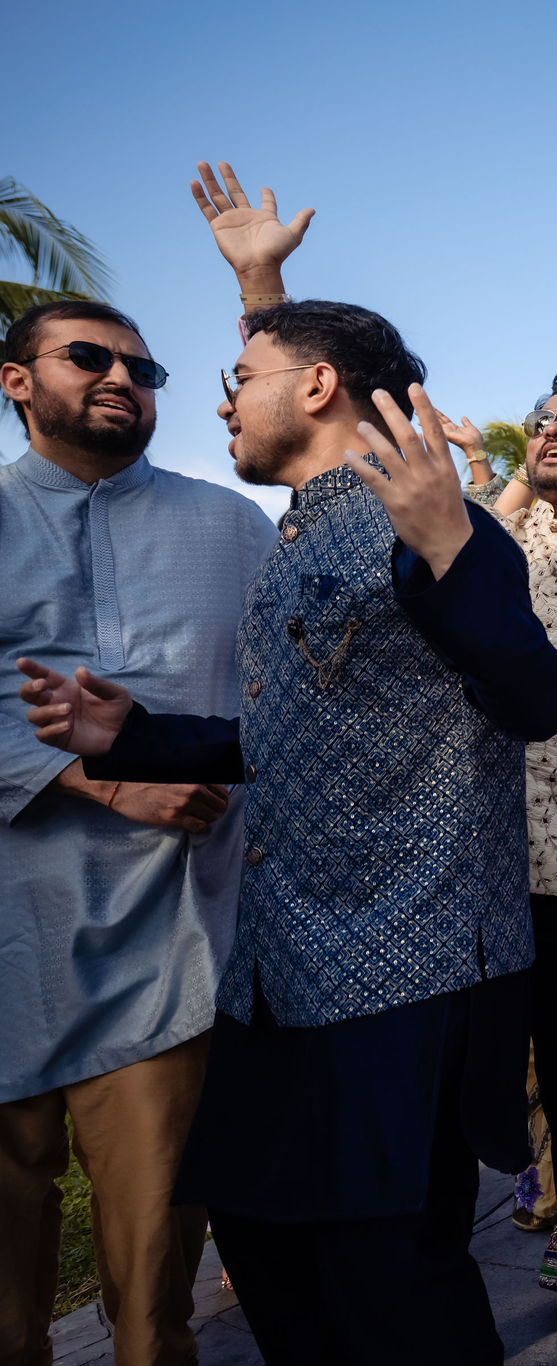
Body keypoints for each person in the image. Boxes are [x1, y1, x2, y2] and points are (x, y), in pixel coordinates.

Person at [189, 169, 557, 1364]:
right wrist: (261, 290)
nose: (550, 430)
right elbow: (338, 428)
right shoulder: (463, 517)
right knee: (429, 1161)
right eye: (540, 416)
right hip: (444, 894)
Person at [18, 283, 557, 1363]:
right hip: (280, 972)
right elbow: (296, 733)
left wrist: (455, 553)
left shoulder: (437, 524)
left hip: (406, 970)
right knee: (265, 1247)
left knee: (392, 1283)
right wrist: (131, 735)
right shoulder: (299, 535)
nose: (222, 405)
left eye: (241, 381)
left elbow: (535, 698)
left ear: (317, 387)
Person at [0, 299, 275, 1366]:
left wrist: (206, 762)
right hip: (14, 926)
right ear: (17, 380)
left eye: (144, 365)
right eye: (90, 357)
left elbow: (305, 684)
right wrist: (106, 782)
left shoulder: (230, 527)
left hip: (171, 935)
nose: (124, 376)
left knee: (154, 1282)